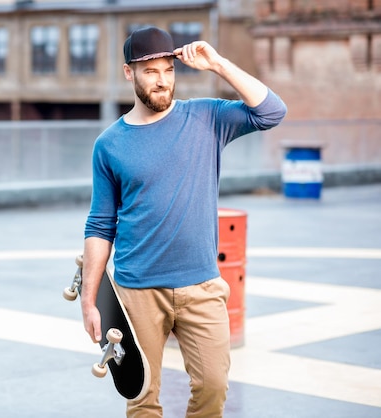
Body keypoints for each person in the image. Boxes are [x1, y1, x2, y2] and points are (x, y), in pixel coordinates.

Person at [80, 26, 287, 418]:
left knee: (213, 387)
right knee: (142, 398)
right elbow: (100, 223)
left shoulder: (207, 117)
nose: (162, 81)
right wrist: (90, 301)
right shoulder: (109, 144)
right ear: (130, 73)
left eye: (168, 70)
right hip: (137, 290)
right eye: (151, 71)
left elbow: (272, 111)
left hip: (202, 284)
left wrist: (218, 64)